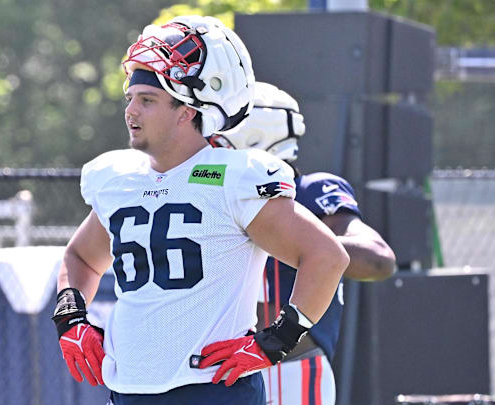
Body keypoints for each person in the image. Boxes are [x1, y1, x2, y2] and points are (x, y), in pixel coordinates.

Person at [51, 16, 350, 405]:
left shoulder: (233, 177)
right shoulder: (118, 178)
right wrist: (71, 316)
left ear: (188, 111)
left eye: (148, 100)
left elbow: (327, 257)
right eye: (130, 99)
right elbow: (81, 257)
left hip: (211, 389)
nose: (131, 112)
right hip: (130, 389)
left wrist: (275, 341)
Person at [210, 81, 397, 405]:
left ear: (254, 134)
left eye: (217, 130)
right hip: (215, 368)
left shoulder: (309, 192)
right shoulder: (204, 193)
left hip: (288, 366)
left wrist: (296, 242)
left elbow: (378, 259)